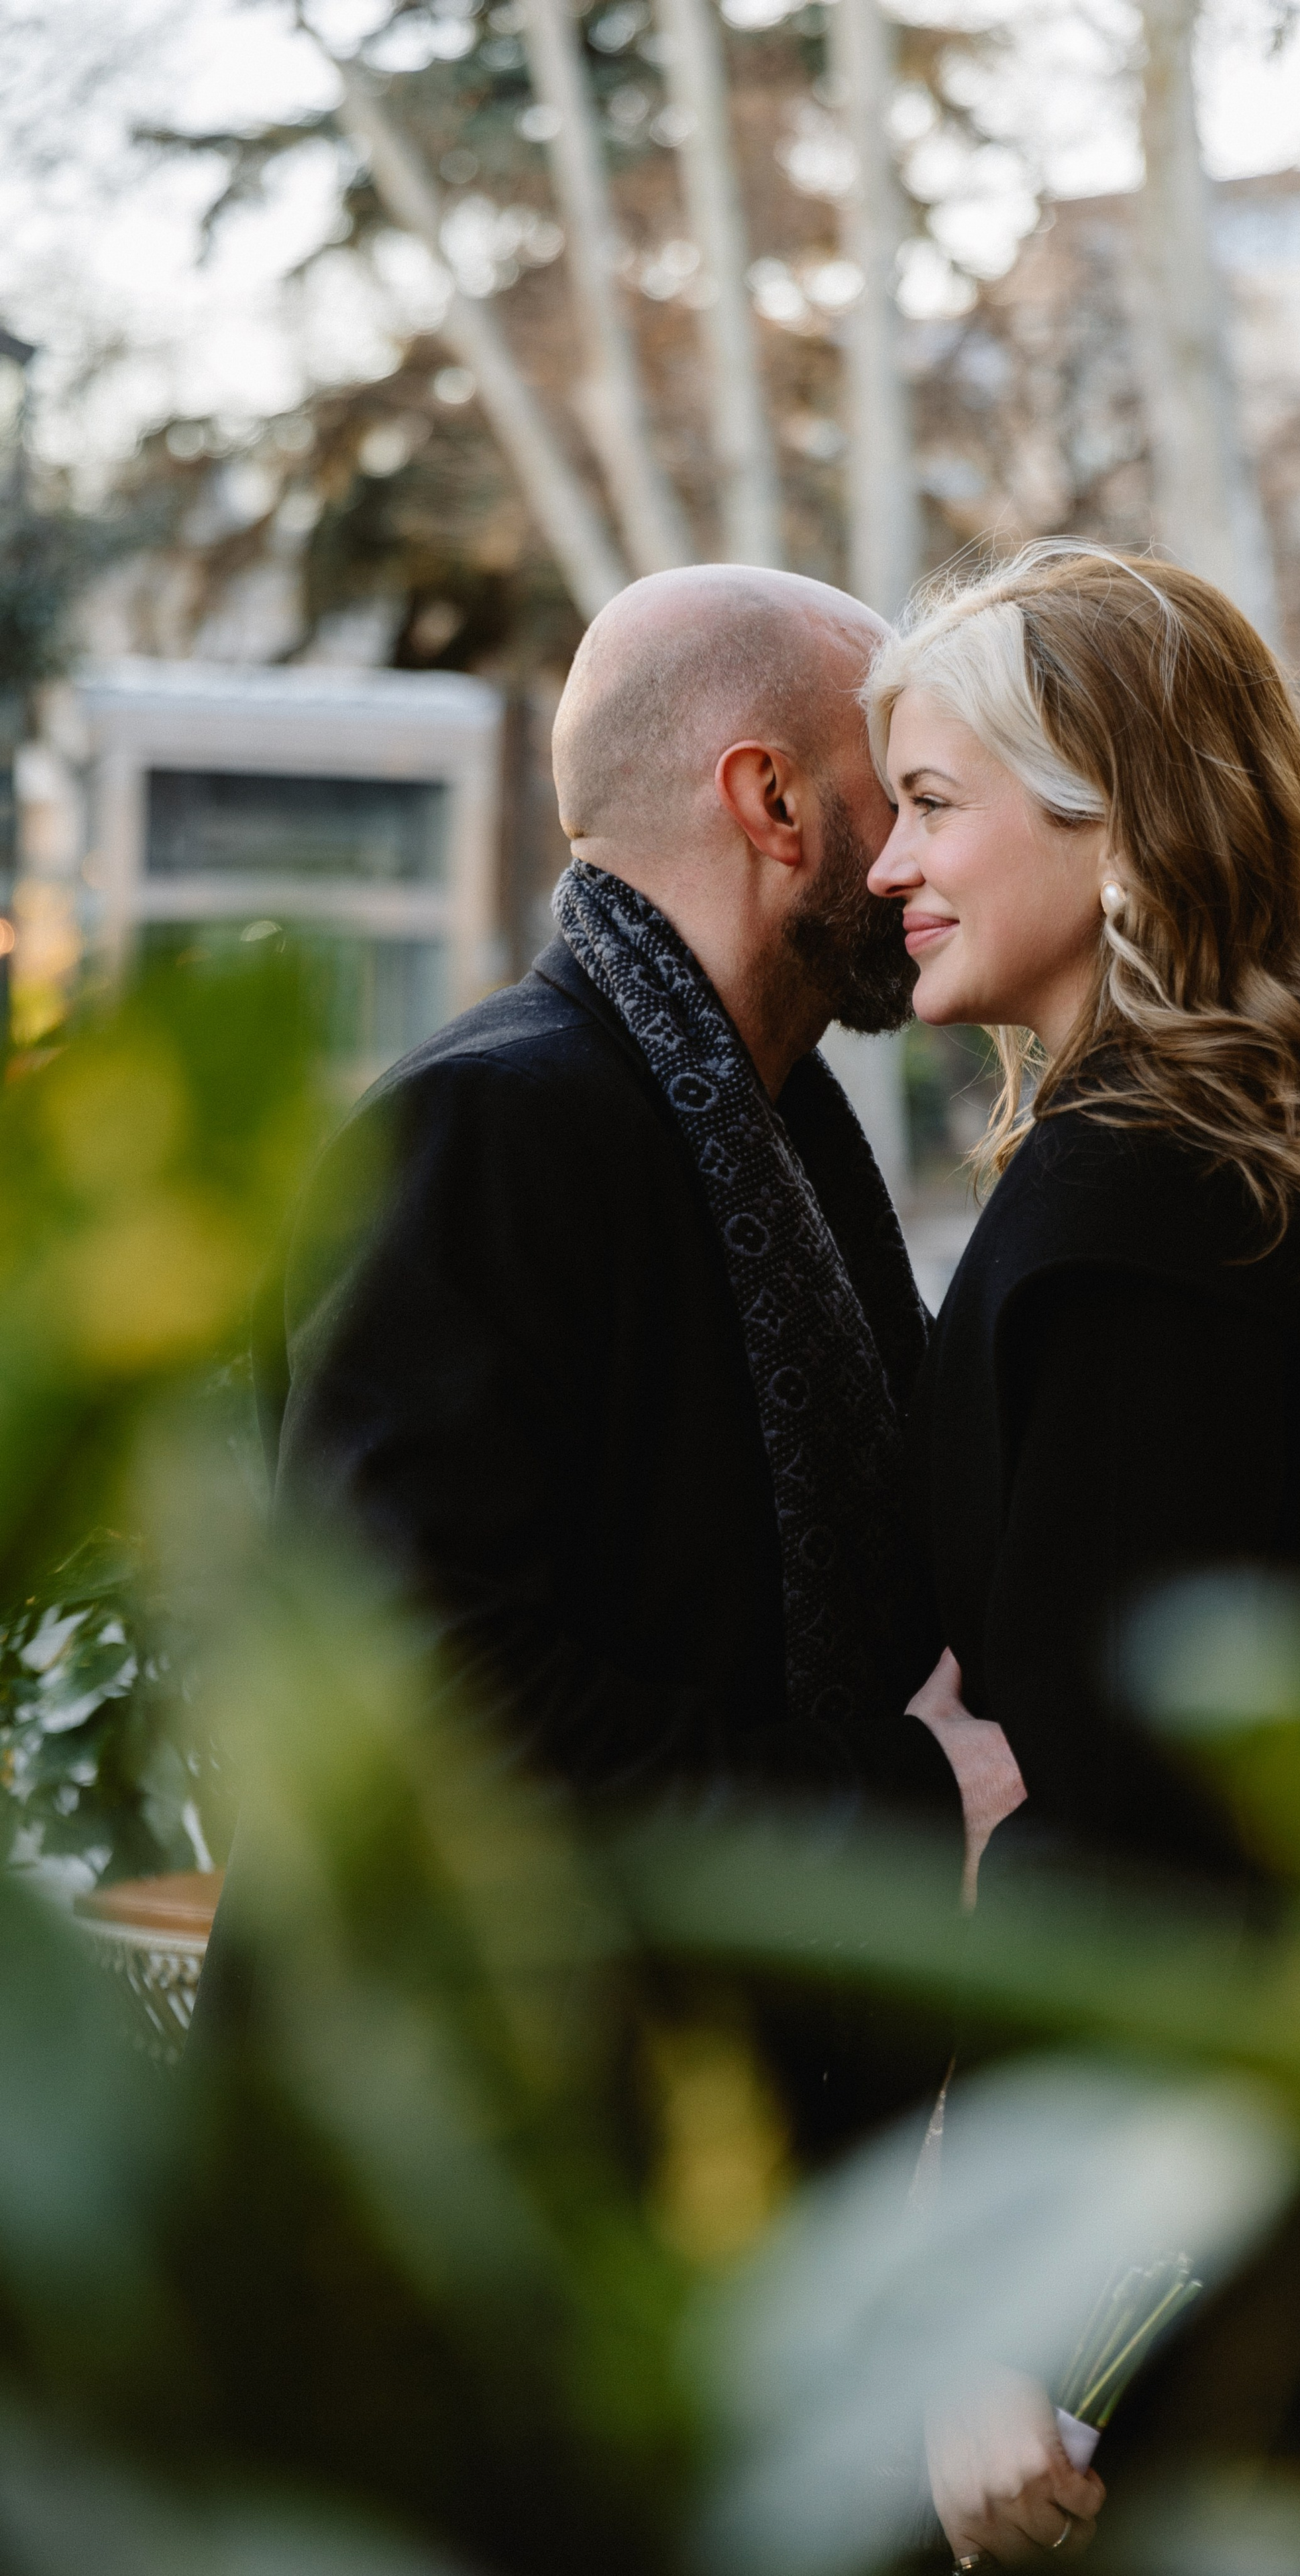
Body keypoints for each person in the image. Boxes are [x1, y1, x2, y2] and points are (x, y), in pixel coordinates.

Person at [863, 541, 1300, 2563]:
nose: (892, 866)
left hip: (1179, 2204)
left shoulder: (1131, 1210)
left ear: (1123, 827)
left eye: (932, 803)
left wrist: (992, 2317)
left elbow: (1117, 1818)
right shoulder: (1262, 1178)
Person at [235, 563, 1016, 2151]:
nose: (925, 855)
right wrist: (901, 1796)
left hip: (689, 2127)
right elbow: (412, 1717)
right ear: (773, 801)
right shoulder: (488, 1128)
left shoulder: (773, 1135)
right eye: (910, 792)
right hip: (467, 2179)